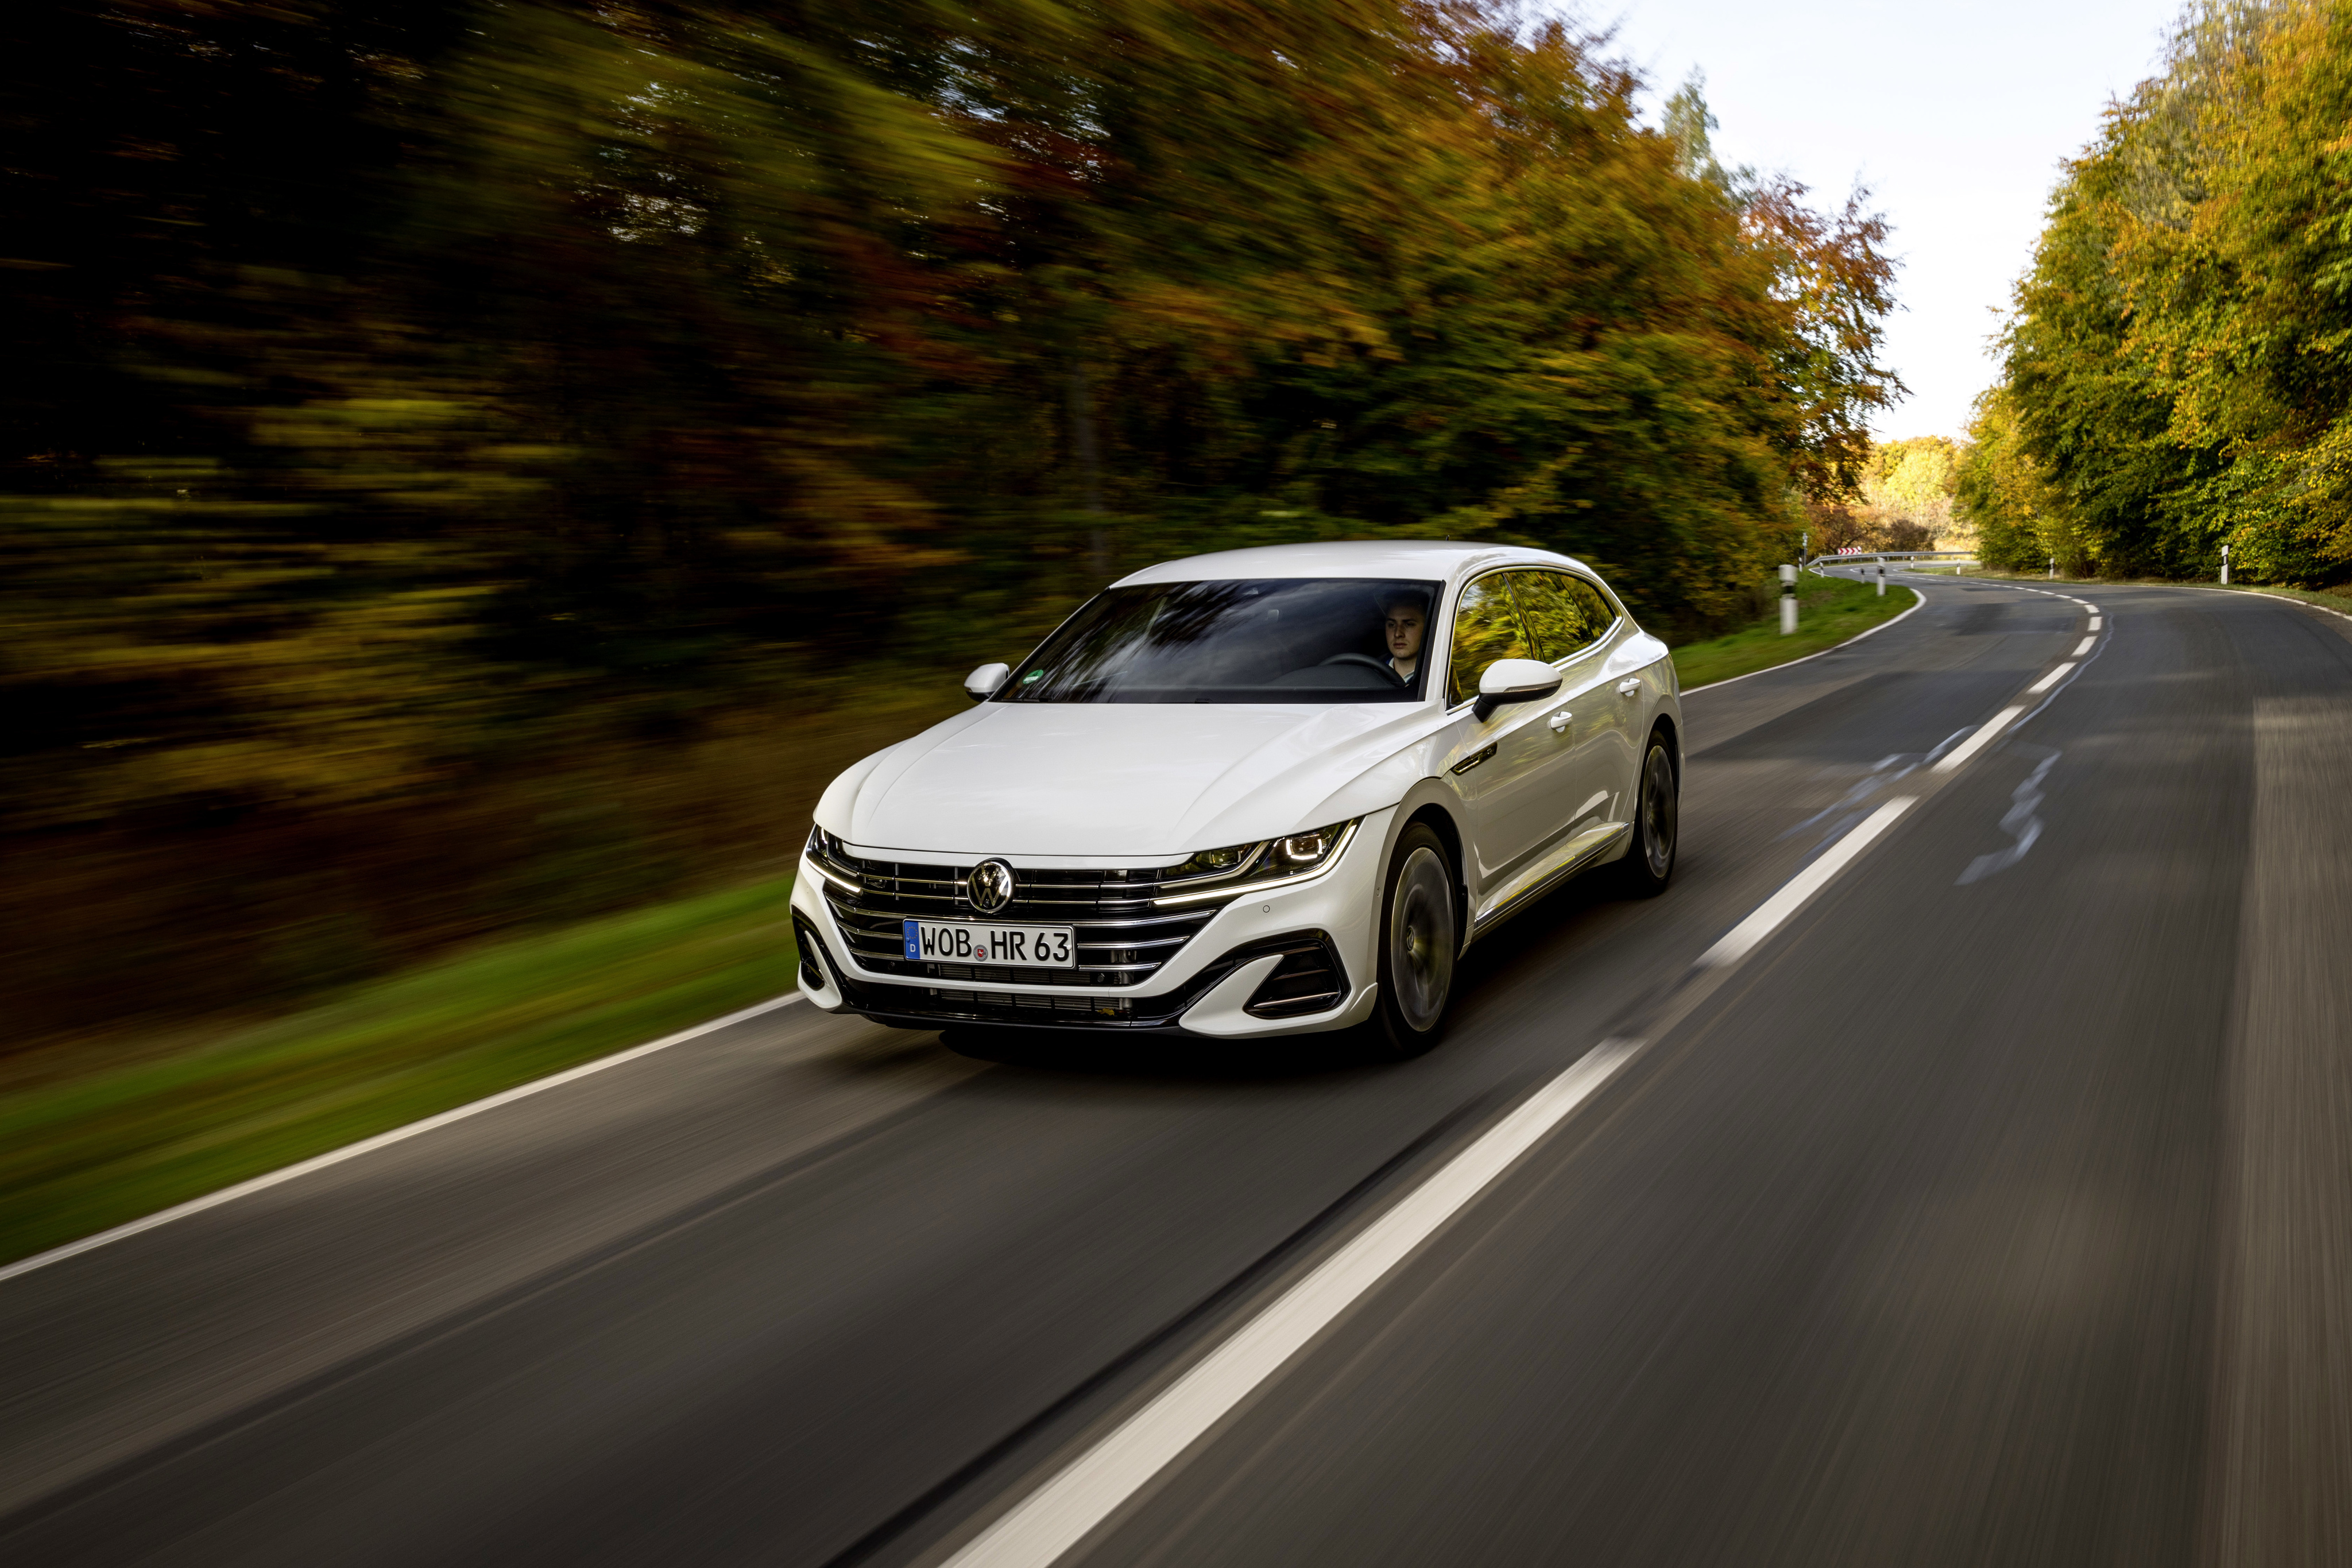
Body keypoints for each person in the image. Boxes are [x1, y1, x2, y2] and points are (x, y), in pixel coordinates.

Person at [1379, 590, 1428, 686]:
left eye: (1409, 625)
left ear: (1427, 627)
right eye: (1392, 625)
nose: (1398, 634)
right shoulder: (1371, 673)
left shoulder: (1441, 675)